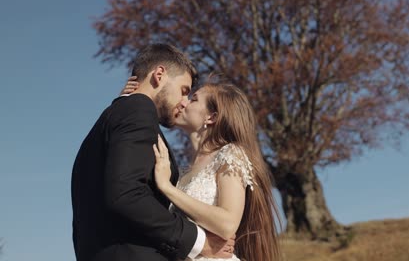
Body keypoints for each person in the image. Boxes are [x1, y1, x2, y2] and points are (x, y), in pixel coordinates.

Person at [71, 44, 234, 261]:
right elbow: (126, 194)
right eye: (184, 91)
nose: (184, 102)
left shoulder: (114, 116)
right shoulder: (138, 109)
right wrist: (199, 241)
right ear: (159, 75)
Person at [122, 78, 282, 260]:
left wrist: (167, 188)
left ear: (211, 117)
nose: (183, 102)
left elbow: (227, 223)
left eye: (194, 99)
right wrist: (131, 100)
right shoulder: (180, 171)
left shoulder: (230, 154)